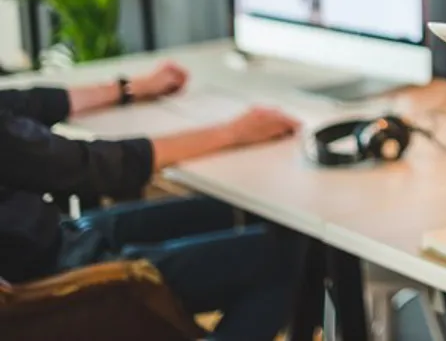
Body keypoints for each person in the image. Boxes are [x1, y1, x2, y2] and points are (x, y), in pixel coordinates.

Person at [0, 60, 305, 341]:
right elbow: (95, 167)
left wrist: (127, 89)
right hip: (50, 284)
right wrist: (233, 133)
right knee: (286, 258)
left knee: (232, 211)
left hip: (48, 240)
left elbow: (22, 104)